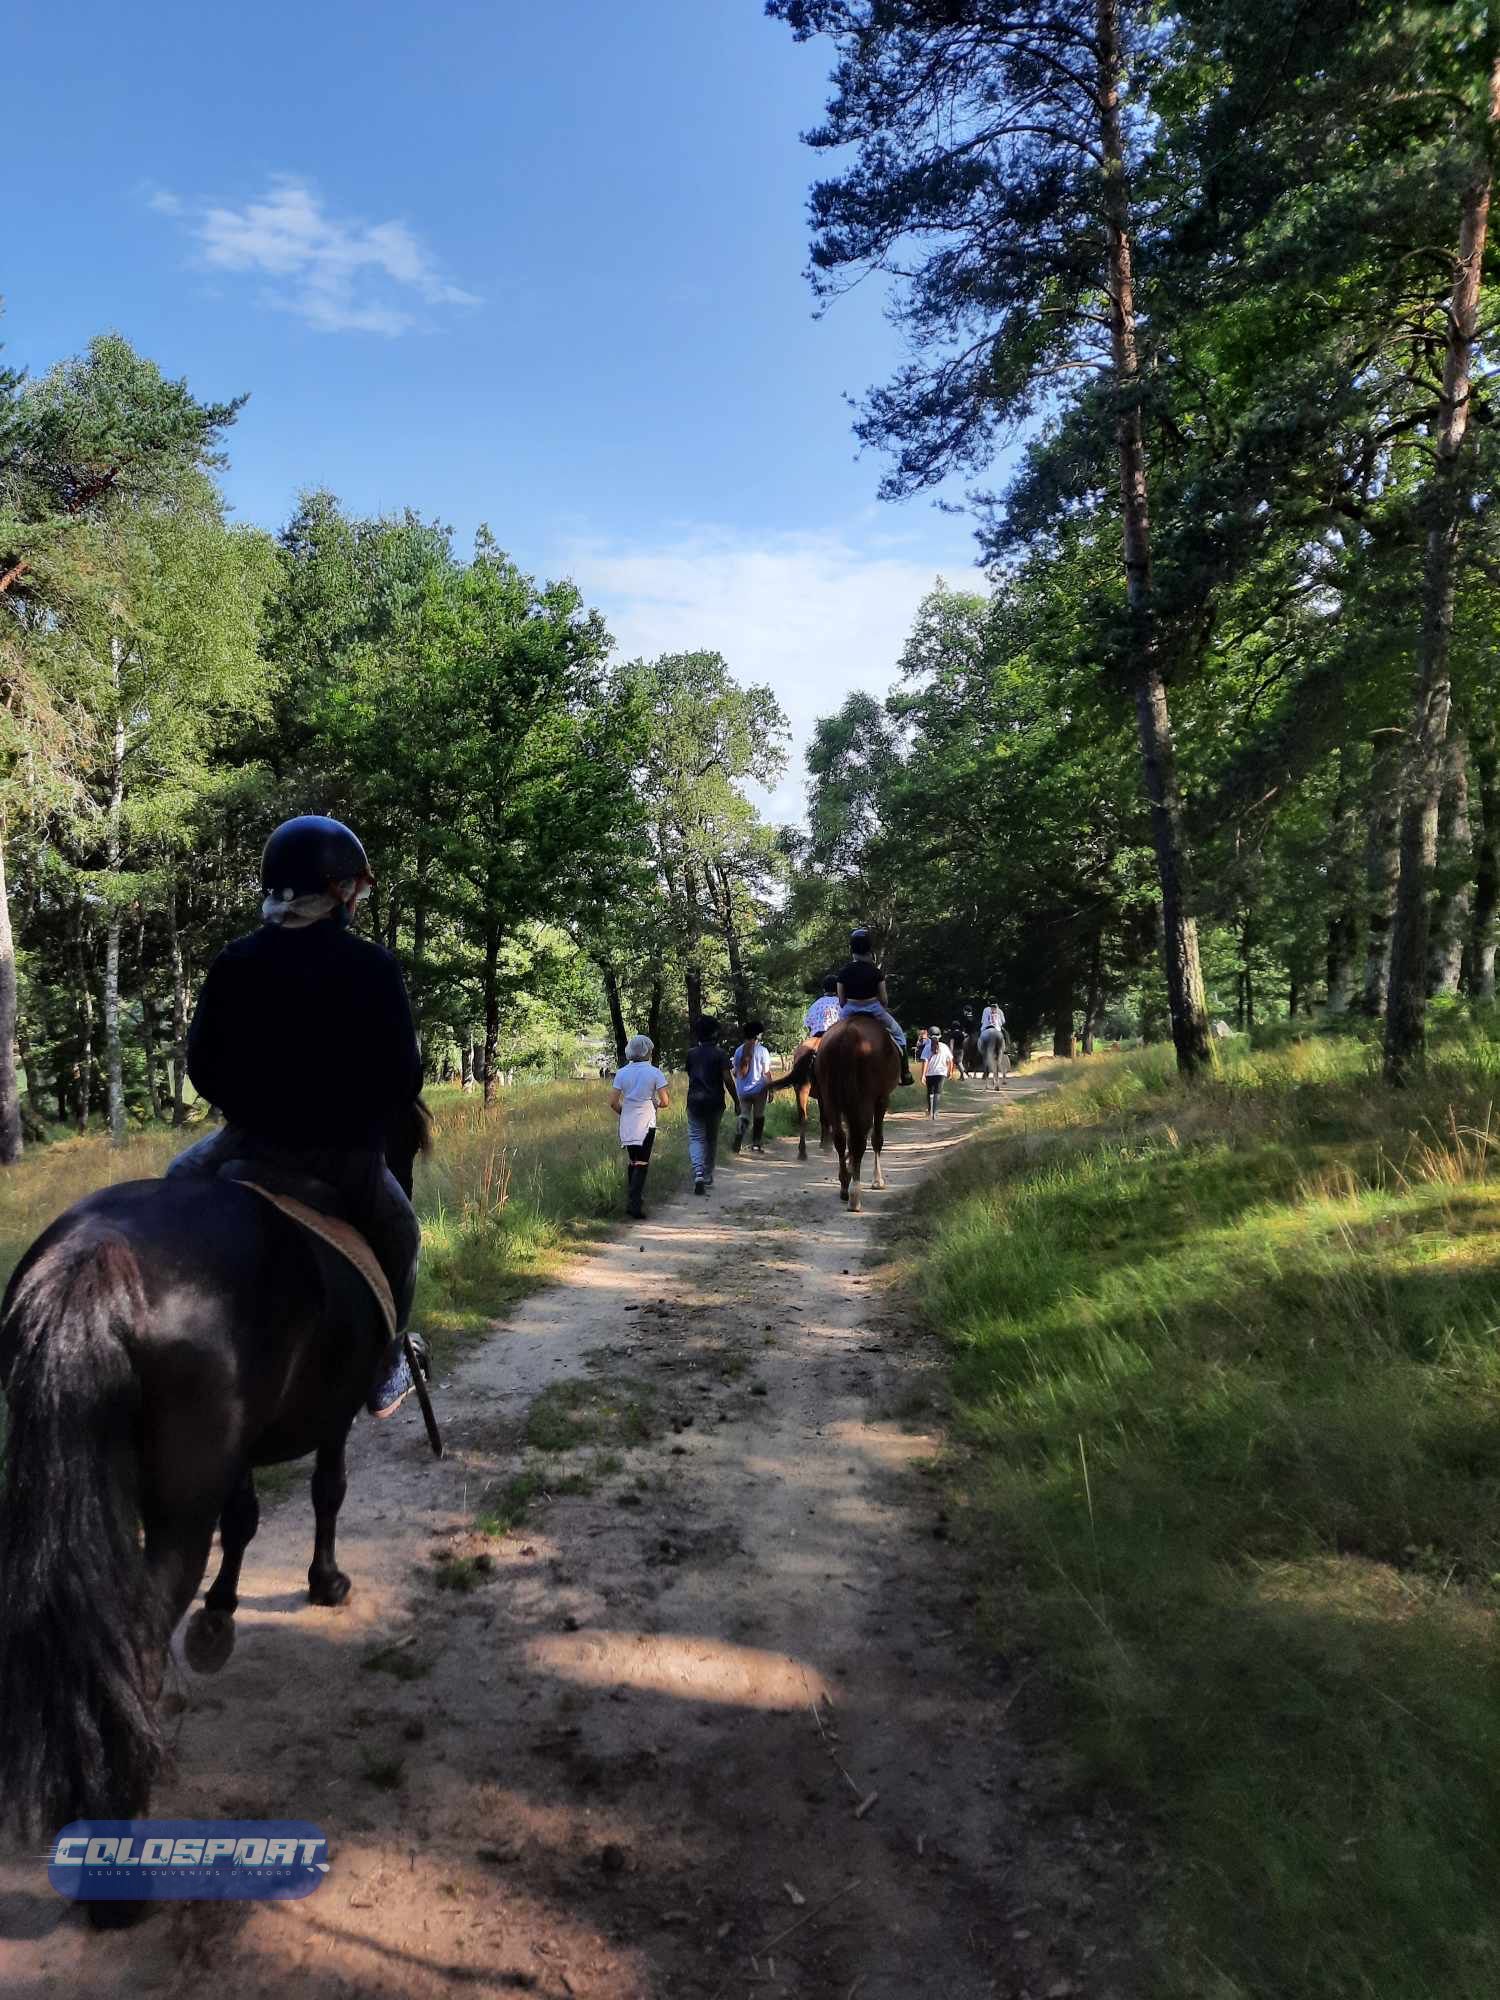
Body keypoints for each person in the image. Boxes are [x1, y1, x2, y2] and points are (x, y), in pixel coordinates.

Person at [166, 815, 427, 1420]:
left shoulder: (235, 961)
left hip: (243, 1145)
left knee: (174, 1186)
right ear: (337, 890)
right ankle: (385, 1366)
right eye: (355, 888)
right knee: (401, 1232)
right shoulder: (371, 967)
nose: (358, 898)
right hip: (342, 1157)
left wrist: (254, 1108)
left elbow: (203, 1063)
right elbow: (403, 1079)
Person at [835, 928, 915, 1087]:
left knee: (831, 1035)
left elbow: (841, 1000)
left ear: (852, 949)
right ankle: (905, 1073)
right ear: (869, 948)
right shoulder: (876, 972)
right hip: (874, 1008)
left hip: (849, 1009)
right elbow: (884, 1000)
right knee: (899, 1035)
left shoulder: (843, 972)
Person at [610, 1035, 671, 1218]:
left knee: (633, 1160)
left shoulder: (621, 1073)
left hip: (628, 1121)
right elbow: (665, 1101)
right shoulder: (654, 1072)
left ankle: (632, 1201)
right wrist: (655, 1104)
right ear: (648, 1052)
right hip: (646, 1121)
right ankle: (635, 1204)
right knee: (642, 1162)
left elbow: (613, 1102)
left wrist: (625, 1112)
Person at [685, 1015, 737, 1195]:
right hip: (715, 1102)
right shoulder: (720, 1054)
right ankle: (707, 1174)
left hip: (694, 1102)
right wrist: (737, 1101)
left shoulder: (691, 1054)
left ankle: (698, 1173)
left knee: (696, 1138)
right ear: (715, 1033)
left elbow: (691, 1076)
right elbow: (728, 1080)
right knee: (711, 1138)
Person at [731, 1020, 773, 1154]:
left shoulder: (738, 1051)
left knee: (744, 1115)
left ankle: (737, 1143)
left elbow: (736, 1072)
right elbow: (766, 1073)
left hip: (743, 1090)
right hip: (759, 1089)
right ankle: (756, 1144)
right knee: (759, 1115)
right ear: (758, 1035)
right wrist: (771, 1089)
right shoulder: (762, 1051)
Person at [921, 1025, 954, 1117]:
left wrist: (923, 1075)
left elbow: (925, 1061)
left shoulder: (927, 1047)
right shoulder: (944, 1047)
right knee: (937, 1092)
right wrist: (950, 1071)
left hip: (929, 1073)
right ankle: (935, 1113)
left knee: (929, 1092)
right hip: (941, 1073)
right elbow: (950, 1060)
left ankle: (929, 1110)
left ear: (929, 1036)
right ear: (940, 1036)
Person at [803, 976, 842, 1041]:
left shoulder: (815, 1005)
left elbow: (808, 1025)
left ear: (824, 989)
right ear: (837, 988)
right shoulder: (841, 1004)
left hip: (815, 1036)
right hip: (835, 1036)